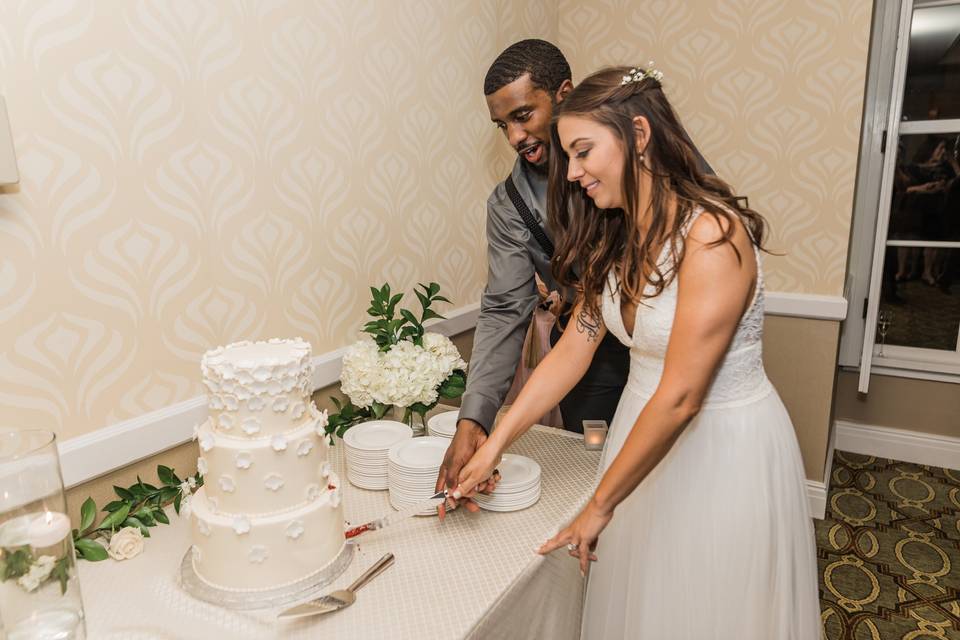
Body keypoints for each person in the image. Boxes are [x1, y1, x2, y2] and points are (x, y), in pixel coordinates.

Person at [453, 65, 821, 638]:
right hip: (635, 439)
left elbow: (680, 396)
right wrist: (494, 442)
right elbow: (574, 351)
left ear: (639, 136)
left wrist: (599, 504)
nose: (571, 173)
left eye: (582, 152)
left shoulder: (713, 235)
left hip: (721, 451)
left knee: (706, 606)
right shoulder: (615, 234)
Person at [435, 40, 631, 513]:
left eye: (523, 115)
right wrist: (475, 422)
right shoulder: (509, 204)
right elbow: (504, 308)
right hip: (587, 354)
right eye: (503, 125)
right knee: (594, 474)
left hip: (669, 343)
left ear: (563, 94)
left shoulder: (635, 167)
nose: (514, 137)